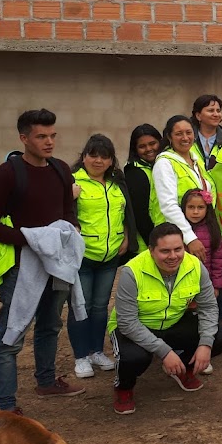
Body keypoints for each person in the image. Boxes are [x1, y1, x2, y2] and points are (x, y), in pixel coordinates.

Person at [0, 109, 85, 412]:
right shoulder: (6, 175)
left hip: (56, 265)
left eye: (52, 135)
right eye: (41, 136)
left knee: (50, 324)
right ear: (24, 138)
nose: (49, 142)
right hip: (20, 268)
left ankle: (47, 381)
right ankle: (7, 405)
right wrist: (32, 240)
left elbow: (66, 211)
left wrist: (69, 231)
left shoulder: (62, 169)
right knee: (10, 334)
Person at [106, 223, 222, 415]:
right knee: (134, 358)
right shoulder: (131, 271)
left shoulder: (195, 266)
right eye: (165, 251)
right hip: (136, 327)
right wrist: (165, 352)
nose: (173, 256)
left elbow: (208, 307)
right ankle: (123, 388)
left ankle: (183, 369)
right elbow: (127, 322)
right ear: (151, 251)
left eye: (178, 249)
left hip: (174, 322)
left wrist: (206, 344)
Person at [69, 134, 137, 379]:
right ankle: (81, 356)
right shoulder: (72, 182)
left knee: (100, 307)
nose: (98, 160)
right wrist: (68, 196)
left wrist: (127, 237)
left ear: (111, 161)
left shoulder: (117, 182)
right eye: (93, 155)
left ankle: (97, 351)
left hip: (110, 256)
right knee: (81, 307)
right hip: (83, 257)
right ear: (84, 157)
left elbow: (126, 212)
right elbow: (60, 213)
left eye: (104, 156)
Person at [152, 116, 217, 265]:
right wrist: (190, 238)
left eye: (189, 132)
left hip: (199, 233)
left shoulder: (196, 161)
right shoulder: (164, 163)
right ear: (169, 137)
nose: (185, 137)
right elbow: (168, 205)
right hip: (174, 239)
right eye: (179, 134)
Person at [180, 188, 222, 321]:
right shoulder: (177, 229)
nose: (195, 212)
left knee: (205, 316)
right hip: (182, 284)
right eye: (191, 207)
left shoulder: (213, 230)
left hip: (205, 284)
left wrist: (216, 286)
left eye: (200, 207)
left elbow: (218, 261)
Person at [123, 124, 164, 253]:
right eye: (142, 146)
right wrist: (154, 244)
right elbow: (140, 215)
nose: (149, 149)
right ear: (135, 149)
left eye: (153, 143)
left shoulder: (162, 164)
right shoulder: (134, 173)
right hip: (148, 244)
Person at [190, 94, 222, 167]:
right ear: (198, 116)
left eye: (218, 111)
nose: (216, 114)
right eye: (211, 110)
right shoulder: (188, 138)